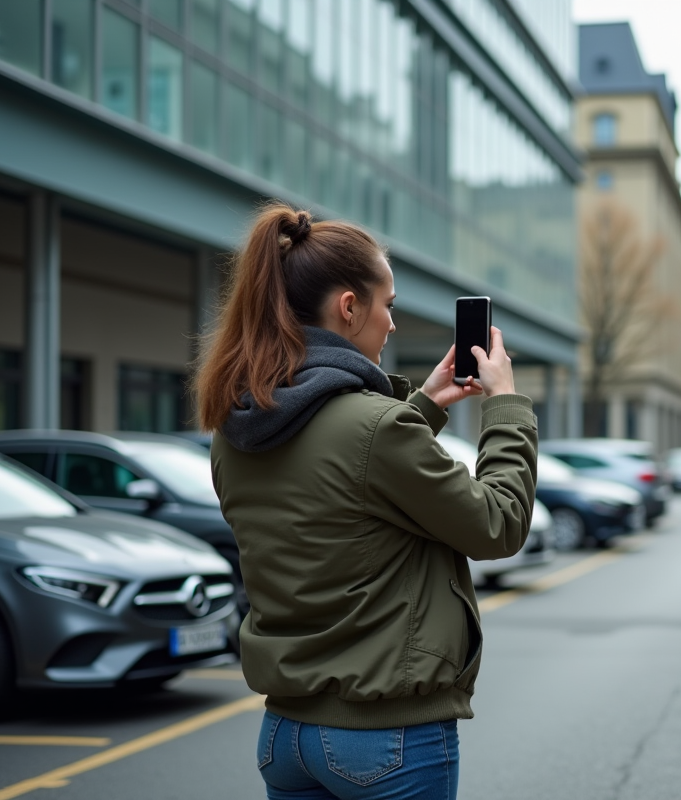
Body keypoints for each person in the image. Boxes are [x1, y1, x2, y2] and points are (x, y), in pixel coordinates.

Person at [194, 203, 537, 800]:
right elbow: (497, 526)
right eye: (389, 305)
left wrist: (425, 404)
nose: (393, 324)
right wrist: (503, 404)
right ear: (348, 308)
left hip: (285, 736)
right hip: (385, 742)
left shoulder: (237, 428)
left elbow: (343, 487)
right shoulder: (375, 429)